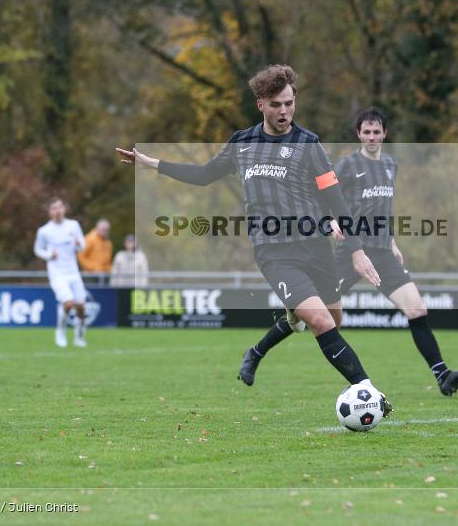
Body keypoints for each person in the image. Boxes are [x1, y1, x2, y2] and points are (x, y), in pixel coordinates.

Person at [116, 64, 391, 408]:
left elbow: (334, 199)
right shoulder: (242, 144)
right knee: (320, 321)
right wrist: (151, 164)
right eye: (276, 104)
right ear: (261, 104)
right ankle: (369, 393)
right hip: (274, 251)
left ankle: (273, 335)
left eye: (289, 103)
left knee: (333, 319)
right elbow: (203, 175)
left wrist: (356, 250)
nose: (284, 111)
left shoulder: (309, 145)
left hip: (315, 245)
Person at [236, 107, 458, 395]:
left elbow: (383, 209)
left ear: (384, 134)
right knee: (314, 314)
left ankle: (443, 376)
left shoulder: (391, 165)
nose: (372, 136)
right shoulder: (348, 165)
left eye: (377, 131)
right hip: (349, 253)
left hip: (382, 252)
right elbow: (323, 195)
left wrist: (391, 241)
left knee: (417, 309)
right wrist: (330, 221)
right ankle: (256, 353)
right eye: (366, 131)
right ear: (359, 134)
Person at [34, 198, 89, 347]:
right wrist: (49, 255)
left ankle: (79, 336)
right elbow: (38, 249)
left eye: (59, 207)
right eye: (54, 208)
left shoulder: (73, 225)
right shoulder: (44, 231)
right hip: (57, 273)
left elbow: (82, 246)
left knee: (81, 306)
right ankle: (60, 331)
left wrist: (79, 246)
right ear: (50, 212)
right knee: (68, 303)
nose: (57, 211)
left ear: (64, 209)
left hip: (73, 272)